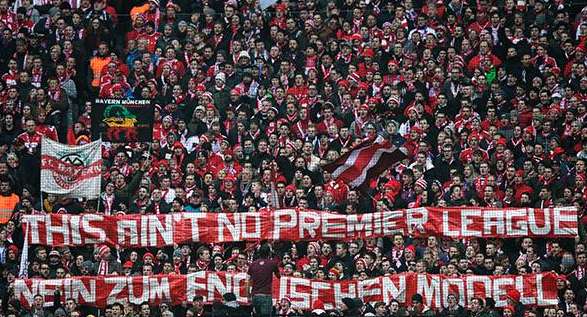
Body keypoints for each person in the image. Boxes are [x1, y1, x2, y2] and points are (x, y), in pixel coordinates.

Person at [248, 243, 280, 317]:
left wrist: (248, 295)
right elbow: (279, 276)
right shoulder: (272, 263)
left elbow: (247, 280)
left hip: (255, 296)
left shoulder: (253, 264)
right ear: (269, 253)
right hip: (266, 296)